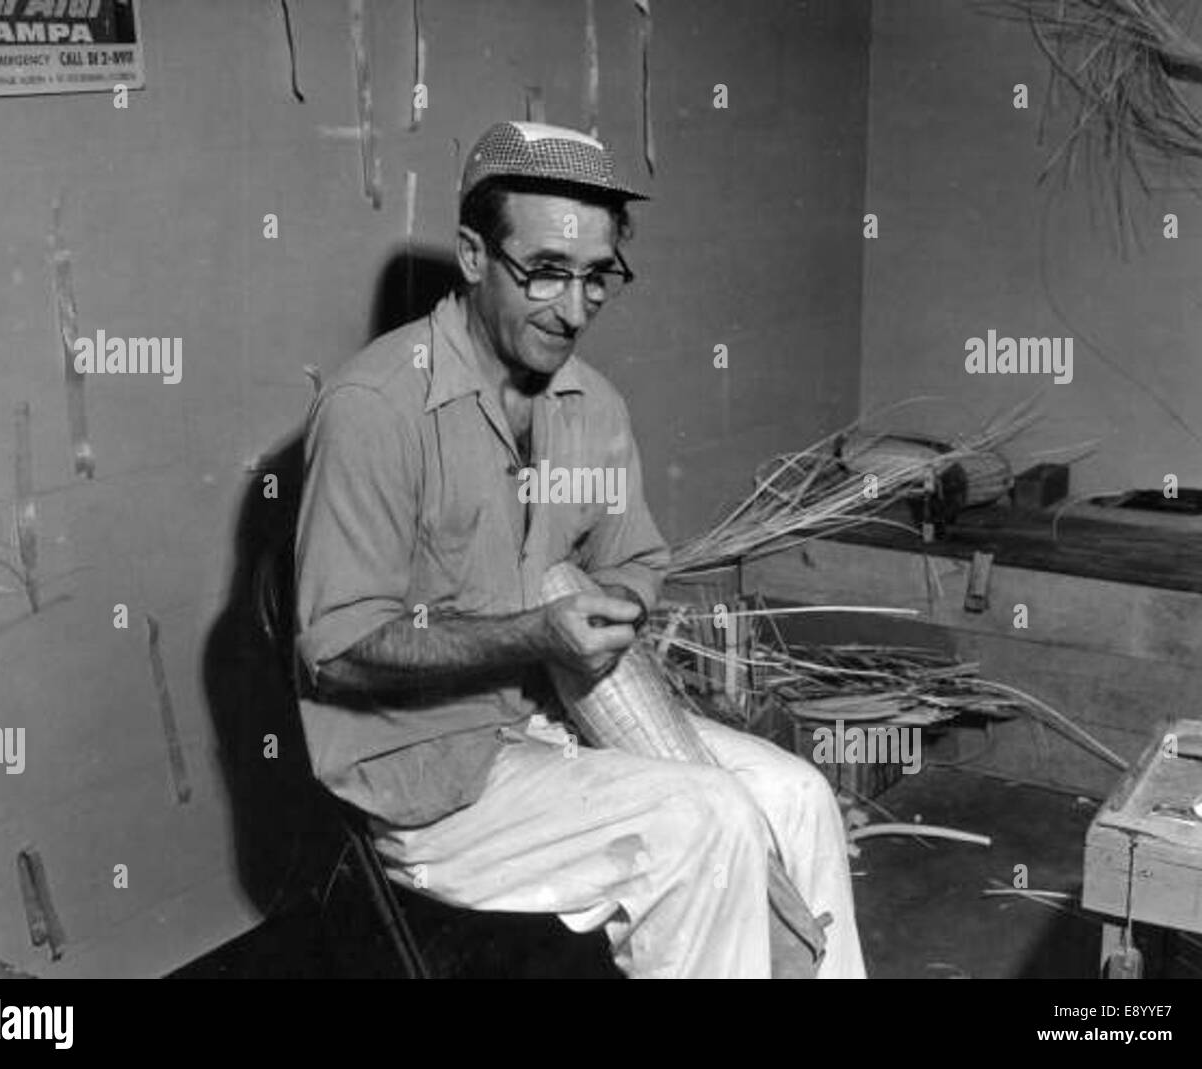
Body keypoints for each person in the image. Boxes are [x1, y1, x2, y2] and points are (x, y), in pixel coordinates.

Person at [293, 119, 865, 978]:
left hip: (557, 716)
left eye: (598, 277)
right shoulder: (376, 409)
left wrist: (613, 613)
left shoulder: (588, 403)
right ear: (475, 256)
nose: (573, 308)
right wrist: (534, 634)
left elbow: (633, 557)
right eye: (546, 272)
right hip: (433, 775)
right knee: (704, 821)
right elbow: (334, 650)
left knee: (800, 798)